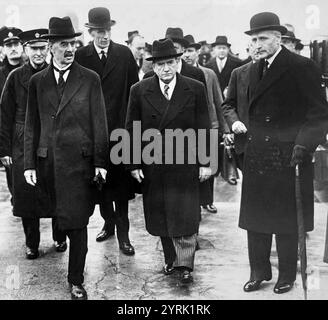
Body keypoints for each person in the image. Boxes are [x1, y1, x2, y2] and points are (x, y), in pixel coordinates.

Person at [240, 12, 328, 294]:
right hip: (258, 156)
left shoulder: (302, 66)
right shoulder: (253, 68)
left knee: (287, 219)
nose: (257, 44)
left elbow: (318, 115)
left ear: (279, 38)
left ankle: (287, 274)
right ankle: (259, 271)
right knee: (256, 218)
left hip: (290, 156)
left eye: (263, 38)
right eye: (254, 39)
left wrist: (303, 145)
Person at [24, 16, 109, 300]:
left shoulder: (89, 78)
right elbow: (31, 125)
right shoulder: (38, 82)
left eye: (72, 43)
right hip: (48, 165)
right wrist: (28, 164)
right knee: (60, 219)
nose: (70, 49)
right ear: (51, 47)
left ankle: (76, 280)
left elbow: (100, 123)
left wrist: (100, 162)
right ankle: (60, 245)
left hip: (79, 165)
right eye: (63, 44)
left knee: (79, 223)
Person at [126, 38, 211, 285]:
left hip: (185, 162)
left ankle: (185, 264)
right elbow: (131, 128)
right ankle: (170, 257)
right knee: (161, 214)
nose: (165, 69)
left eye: (170, 63)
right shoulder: (139, 90)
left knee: (184, 214)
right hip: (154, 163)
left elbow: (204, 126)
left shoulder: (194, 88)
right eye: (160, 64)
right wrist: (133, 163)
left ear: (178, 62)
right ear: (153, 66)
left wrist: (206, 162)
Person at [75, 7, 139, 255]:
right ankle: (108, 223)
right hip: (92, 132)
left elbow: (135, 91)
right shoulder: (81, 55)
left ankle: (124, 236)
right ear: (91, 31)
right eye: (99, 31)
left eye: (108, 31)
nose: (104, 36)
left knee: (121, 189)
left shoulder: (124, 54)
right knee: (100, 185)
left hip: (120, 132)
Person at [0, 28, 67, 259]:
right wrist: (4, 149)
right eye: (33, 49)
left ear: (48, 49)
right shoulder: (15, 77)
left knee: (57, 189)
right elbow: (5, 114)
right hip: (21, 141)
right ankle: (32, 242)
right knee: (26, 194)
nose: (38, 53)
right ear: (26, 50)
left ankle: (60, 236)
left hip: (51, 139)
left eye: (42, 48)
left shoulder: (56, 75)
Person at [183, 34, 230, 210]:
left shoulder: (208, 73)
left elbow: (218, 101)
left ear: (197, 52)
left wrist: (224, 128)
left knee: (208, 164)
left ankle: (208, 201)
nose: (186, 55)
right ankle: (194, 203)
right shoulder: (178, 74)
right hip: (188, 127)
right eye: (184, 52)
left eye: (190, 51)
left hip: (209, 124)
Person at [221, 41, 260, 169]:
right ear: (248, 50)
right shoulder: (238, 73)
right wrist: (235, 122)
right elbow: (228, 105)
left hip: (272, 146)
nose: (257, 49)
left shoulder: (277, 73)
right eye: (252, 46)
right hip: (245, 143)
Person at [0, 27, 24, 203]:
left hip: (29, 131)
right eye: (9, 45)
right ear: (3, 49)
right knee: (13, 177)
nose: (13, 48)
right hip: (9, 134)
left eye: (16, 43)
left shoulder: (30, 70)